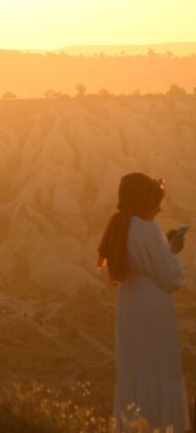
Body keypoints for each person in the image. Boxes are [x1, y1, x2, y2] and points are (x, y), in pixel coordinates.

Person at [97, 173, 188, 432]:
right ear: (143, 199)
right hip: (152, 308)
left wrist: (163, 250)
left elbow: (140, 263)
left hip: (129, 306)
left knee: (135, 371)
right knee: (158, 368)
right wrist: (172, 251)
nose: (158, 207)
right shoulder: (148, 231)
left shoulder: (120, 228)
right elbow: (171, 277)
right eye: (154, 200)